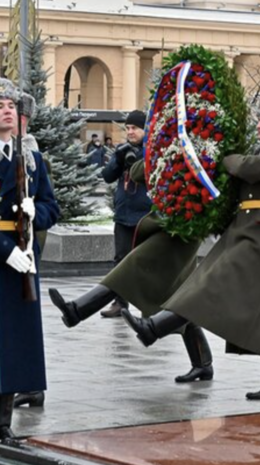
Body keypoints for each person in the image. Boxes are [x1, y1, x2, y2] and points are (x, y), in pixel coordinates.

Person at [122, 97, 260, 400]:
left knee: (210, 285)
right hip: (246, 232)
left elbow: (247, 168)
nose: (259, 124)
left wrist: (226, 157)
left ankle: (154, 327)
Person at [48, 158, 210, 384]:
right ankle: (203, 364)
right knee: (180, 293)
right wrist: (157, 149)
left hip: (187, 221)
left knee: (131, 267)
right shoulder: (169, 143)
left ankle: (78, 310)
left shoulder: (199, 144)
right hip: (170, 221)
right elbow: (136, 173)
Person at [0, 78, 61, 439]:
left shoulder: (33, 160)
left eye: (11, 105)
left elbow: (53, 207)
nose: (6, 110)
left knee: (15, 342)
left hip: (24, 258)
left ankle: (3, 423)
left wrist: (35, 211)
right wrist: (6, 251)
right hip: (7, 256)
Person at [100, 111, 152, 317]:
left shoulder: (153, 150)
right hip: (123, 214)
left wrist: (140, 156)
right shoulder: (123, 150)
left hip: (146, 216)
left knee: (147, 261)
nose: (130, 132)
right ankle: (120, 303)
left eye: (135, 128)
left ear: (145, 129)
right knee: (120, 260)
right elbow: (107, 176)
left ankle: (151, 305)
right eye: (128, 128)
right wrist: (118, 159)